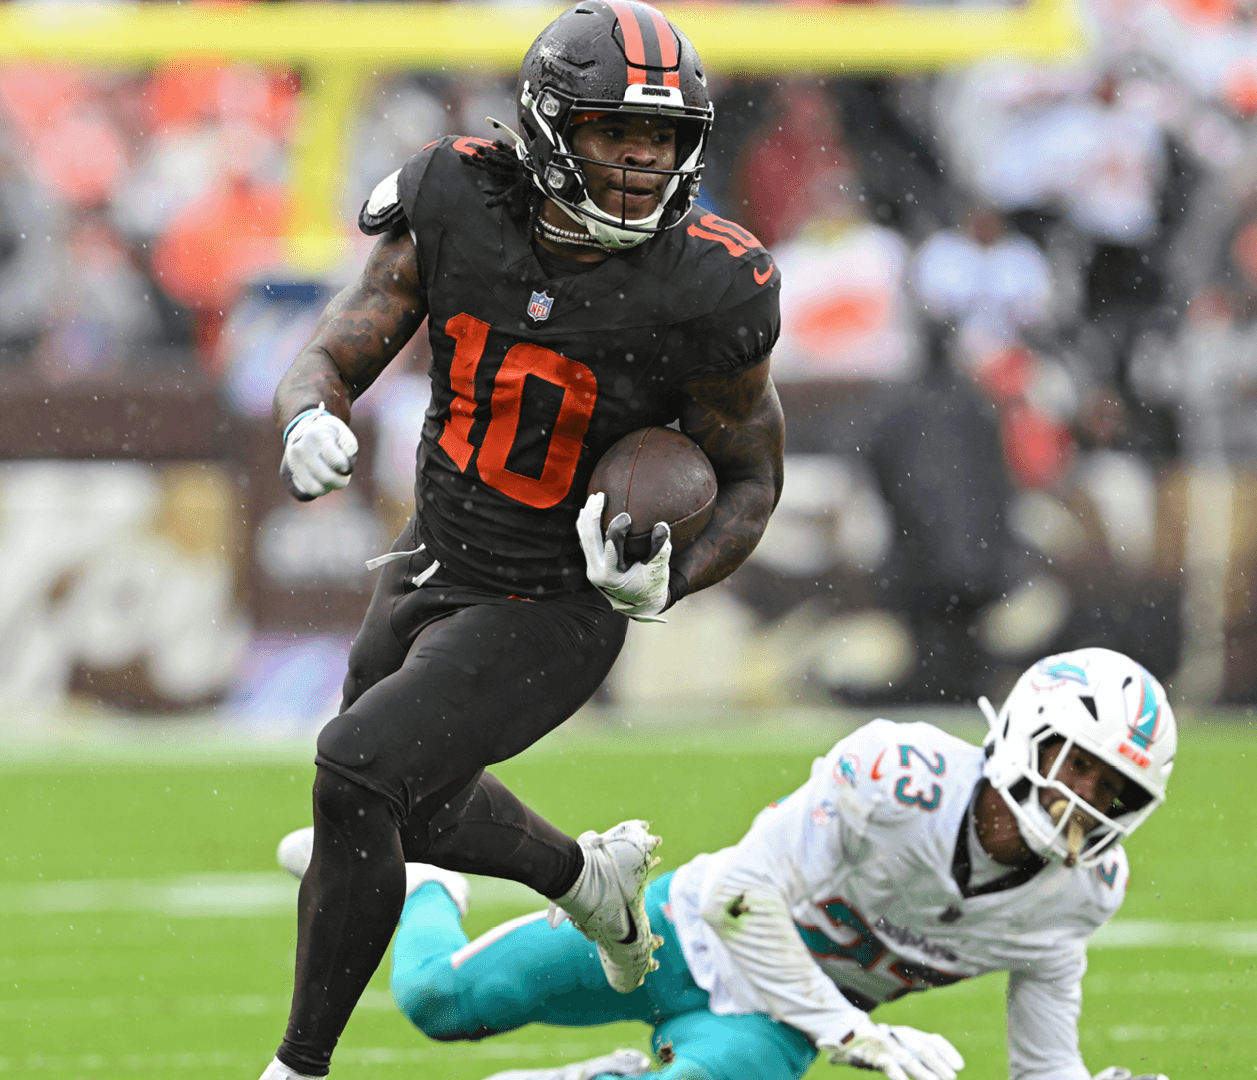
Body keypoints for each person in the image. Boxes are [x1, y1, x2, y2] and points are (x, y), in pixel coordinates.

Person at [260, 3, 785, 1076]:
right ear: (549, 127)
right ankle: (589, 882)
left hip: (555, 599)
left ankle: (298, 1067)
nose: (641, 164)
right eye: (614, 133)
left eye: (662, 139)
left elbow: (752, 478)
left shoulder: (709, 283)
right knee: (405, 811)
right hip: (433, 553)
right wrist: (309, 413)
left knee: (355, 772)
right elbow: (340, 345)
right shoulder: (457, 196)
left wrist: (668, 581)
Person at [279, 648, 1176, 1080]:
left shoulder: (1083, 893)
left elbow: (1043, 1062)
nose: (1088, 800)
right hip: (677, 930)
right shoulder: (899, 775)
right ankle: (429, 886)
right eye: (1078, 765)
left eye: (1115, 789)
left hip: (772, 1029)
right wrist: (850, 1031)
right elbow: (743, 899)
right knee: (437, 1002)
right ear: (1023, 732)